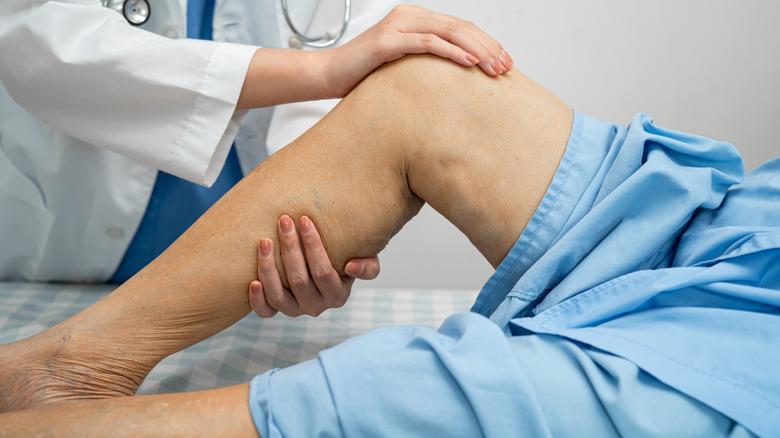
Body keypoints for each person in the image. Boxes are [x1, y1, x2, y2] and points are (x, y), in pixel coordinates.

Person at [1, 54, 778, 437]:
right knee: (430, 90)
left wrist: (318, 251)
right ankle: (73, 363)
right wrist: (341, 192)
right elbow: (38, 36)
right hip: (742, 233)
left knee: (400, 394)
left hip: (754, 356)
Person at [0, 0, 512, 315]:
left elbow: (359, 115)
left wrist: (326, 241)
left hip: (242, 284)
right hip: (62, 257)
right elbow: (36, 39)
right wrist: (320, 68)